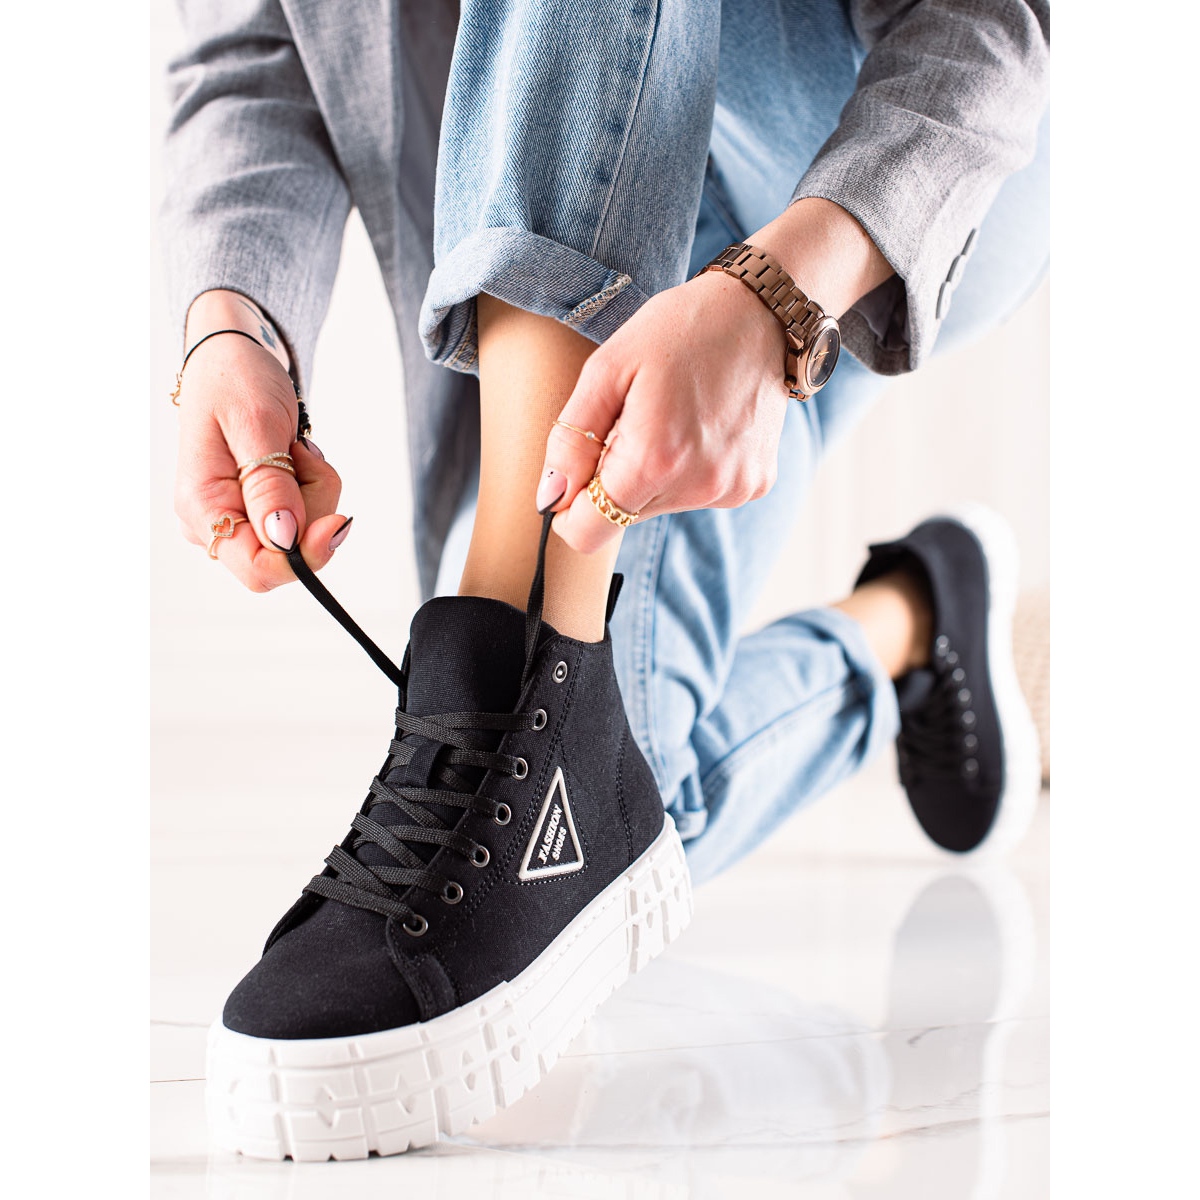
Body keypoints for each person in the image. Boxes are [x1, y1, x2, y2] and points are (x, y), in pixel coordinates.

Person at [163, 0, 1050, 1161]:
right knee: (623, 810)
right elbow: (250, 50)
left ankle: (521, 654)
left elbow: (988, 28)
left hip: (895, 147)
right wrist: (229, 325)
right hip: (571, 204)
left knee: (555, 780)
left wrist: (777, 294)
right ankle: (914, 618)